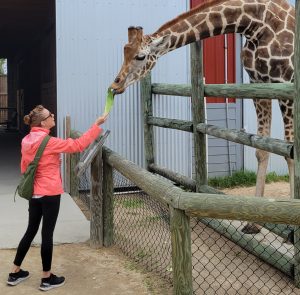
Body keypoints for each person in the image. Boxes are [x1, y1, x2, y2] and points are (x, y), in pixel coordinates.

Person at [7, 105, 108, 291]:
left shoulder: (26, 140)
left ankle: (14, 272)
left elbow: (25, 167)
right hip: (50, 193)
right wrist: (96, 125)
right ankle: (46, 278)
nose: (53, 115)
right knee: (47, 234)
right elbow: (77, 145)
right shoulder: (49, 141)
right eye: (49, 115)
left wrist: (50, 163)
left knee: (31, 230)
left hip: (34, 193)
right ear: (43, 122)